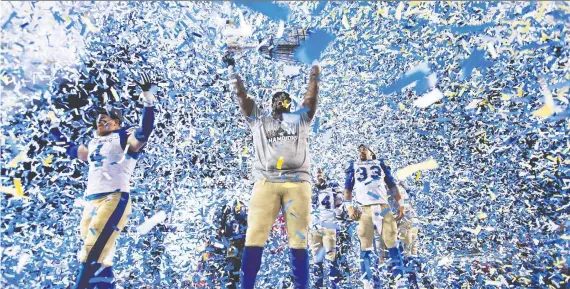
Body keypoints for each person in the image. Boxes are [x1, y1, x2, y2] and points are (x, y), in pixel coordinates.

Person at [49, 72, 156, 289]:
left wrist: (147, 97)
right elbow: (70, 148)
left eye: (106, 117)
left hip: (114, 198)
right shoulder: (92, 143)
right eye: (99, 117)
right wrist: (53, 127)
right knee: (102, 259)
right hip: (91, 200)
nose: (100, 119)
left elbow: (145, 131)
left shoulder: (124, 138)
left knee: (90, 251)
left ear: (117, 122)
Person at [223, 53, 320, 289]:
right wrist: (231, 69)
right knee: (254, 237)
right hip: (266, 181)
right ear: (270, 104)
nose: (280, 101)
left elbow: (311, 98)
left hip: (298, 182)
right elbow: (241, 96)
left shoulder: (300, 119)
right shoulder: (259, 120)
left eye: (284, 98)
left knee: (298, 240)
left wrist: (315, 71)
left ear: (290, 103)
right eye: (276, 98)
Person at [343, 144, 405, 289]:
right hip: (364, 208)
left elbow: (392, 185)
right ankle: (366, 283)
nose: (361, 151)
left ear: (372, 152)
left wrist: (401, 204)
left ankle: (399, 280)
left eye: (364, 149)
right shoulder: (354, 165)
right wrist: (349, 207)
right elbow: (347, 190)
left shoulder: (380, 164)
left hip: (383, 207)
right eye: (359, 150)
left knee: (392, 243)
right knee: (365, 246)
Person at [309, 170, 342, 289]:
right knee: (317, 260)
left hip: (328, 225)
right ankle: (318, 286)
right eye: (317, 171)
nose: (318, 174)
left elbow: (339, 204)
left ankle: (334, 286)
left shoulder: (332, 185)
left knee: (331, 258)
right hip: (314, 227)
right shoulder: (310, 185)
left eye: (321, 171)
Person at [219, 199, 248, 289]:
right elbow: (223, 234)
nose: (240, 211)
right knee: (233, 271)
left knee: (238, 270)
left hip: (239, 245)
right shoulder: (233, 222)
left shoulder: (245, 221)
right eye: (239, 209)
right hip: (235, 245)